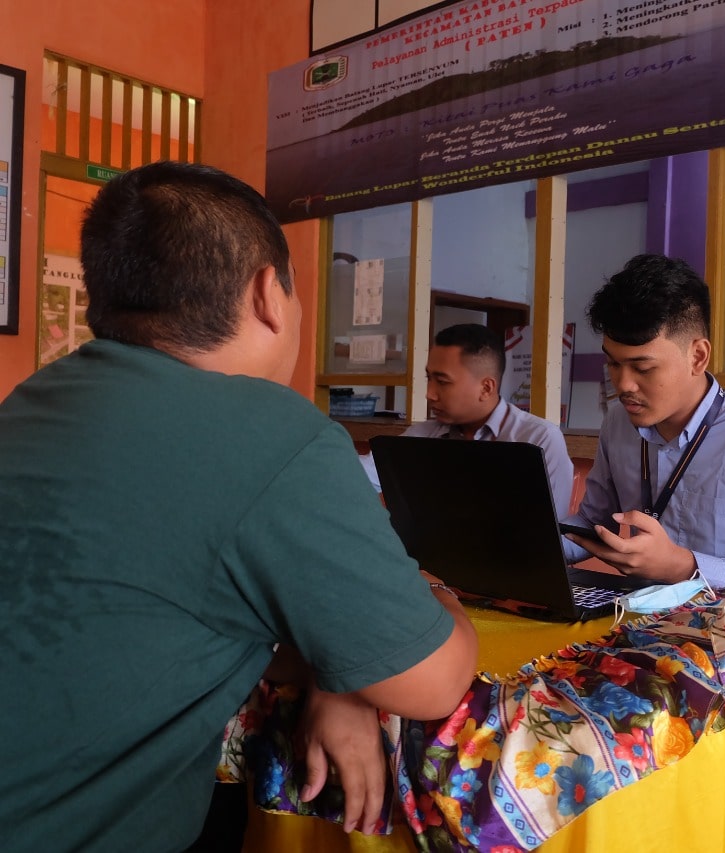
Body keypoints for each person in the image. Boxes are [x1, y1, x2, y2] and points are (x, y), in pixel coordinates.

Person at [0, 161, 478, 852]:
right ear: (267, 294)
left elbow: (163, 621)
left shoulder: (32, 403)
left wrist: (338, 672)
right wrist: (436, 589)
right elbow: (429, 680)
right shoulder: (273, 433)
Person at [561, 254, 725, 602]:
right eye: (613, 364)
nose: (623, 385)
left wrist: (682, 566)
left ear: (697, 356)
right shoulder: (618, 423)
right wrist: (528, 546)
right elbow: (594, 522)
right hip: (634, 619)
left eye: (643, 368)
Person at [369, 323, 574, 518]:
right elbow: (364, 474)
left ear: (486, 388)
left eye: (442, 382)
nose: (429, 393)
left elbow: (551, 531)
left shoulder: (538, 439)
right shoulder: (420, 436)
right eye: (428, 378)